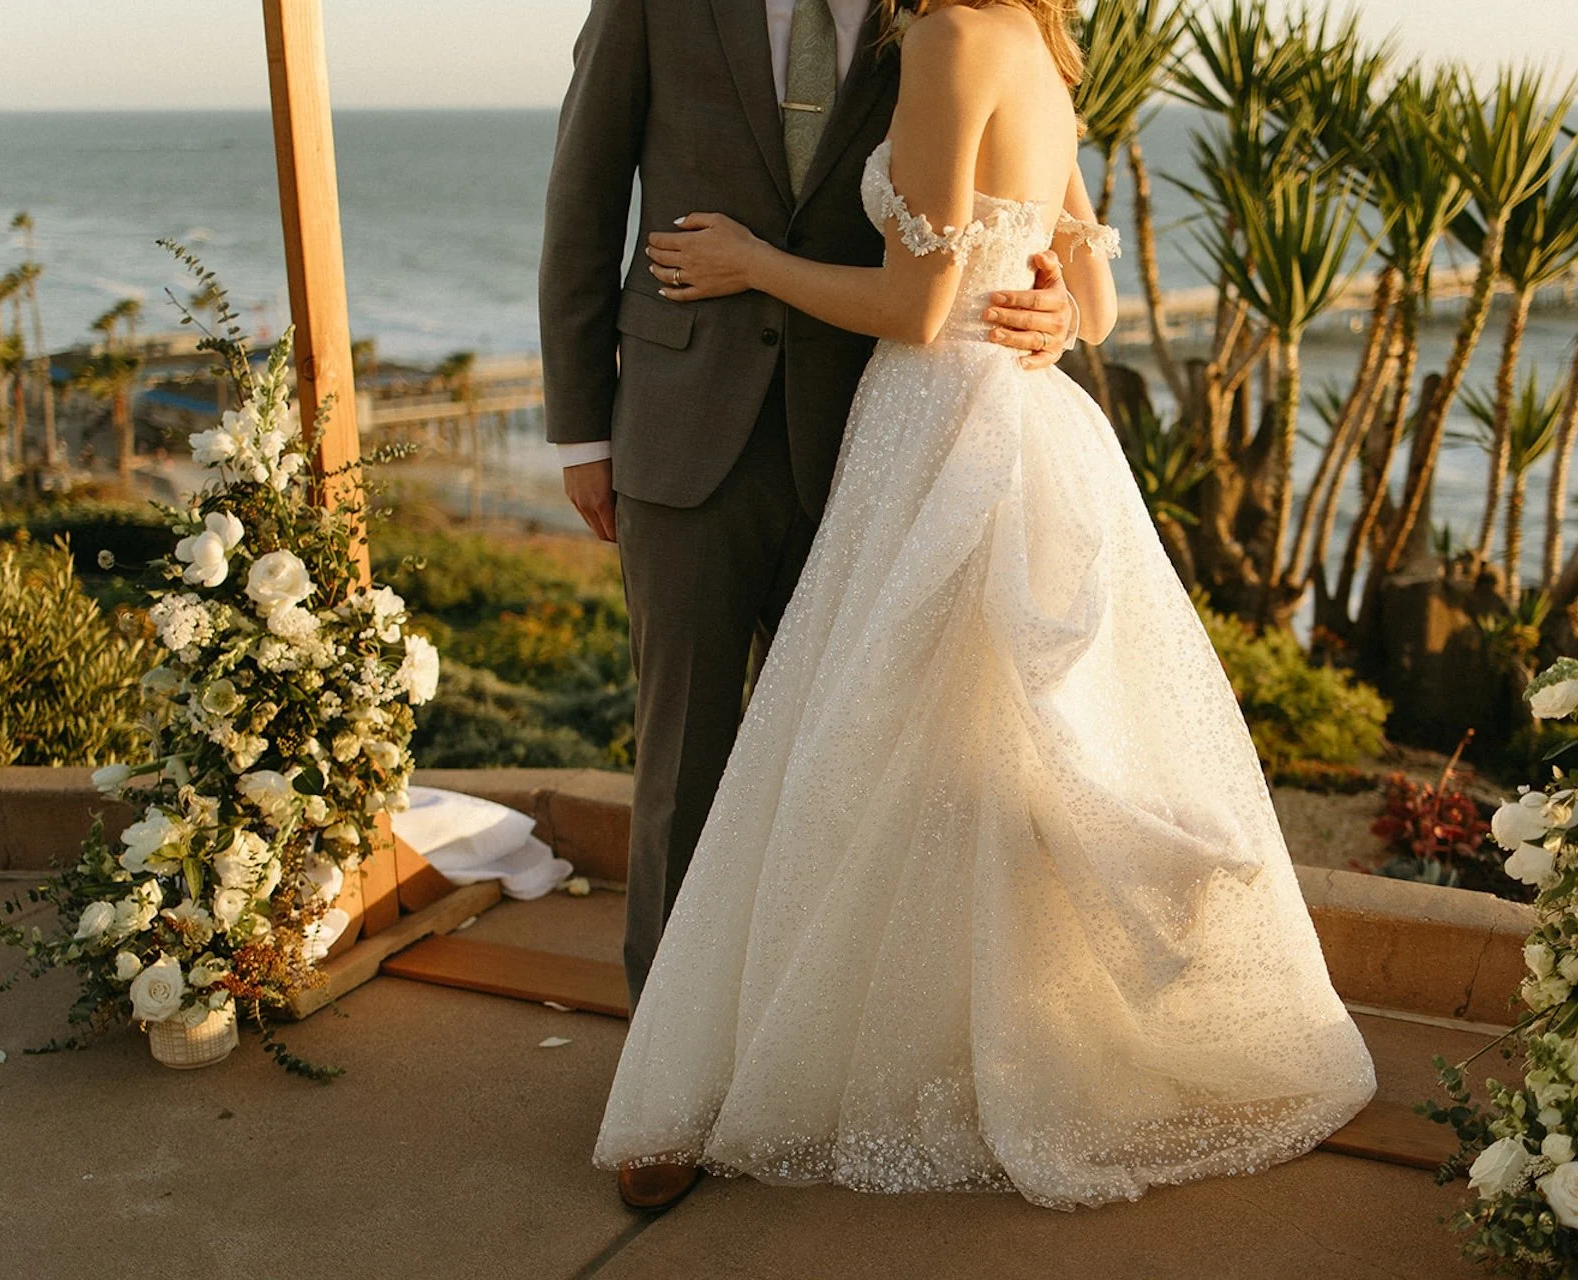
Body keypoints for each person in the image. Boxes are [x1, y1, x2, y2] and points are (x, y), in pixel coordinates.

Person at [590, 0, 1377, 1212]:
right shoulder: (1046, 51)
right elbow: (1099, 306)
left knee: (875, 748)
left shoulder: (951, 41)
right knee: (966, 757)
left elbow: (916, 305)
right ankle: (947, 1037)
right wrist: (1055, 305)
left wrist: (751, 262)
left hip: (935, 426)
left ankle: (840, 1050)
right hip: (1020, 423)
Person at [538, 0, 1081, 1211]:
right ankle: (666, 1084)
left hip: (875, 442)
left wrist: (1065, 310)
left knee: (847, 759)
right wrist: (583, 426)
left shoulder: (929, 18)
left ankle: (796, 1052)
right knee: (688, 750)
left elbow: (1044, 215)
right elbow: (582, 198)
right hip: (682, 432)